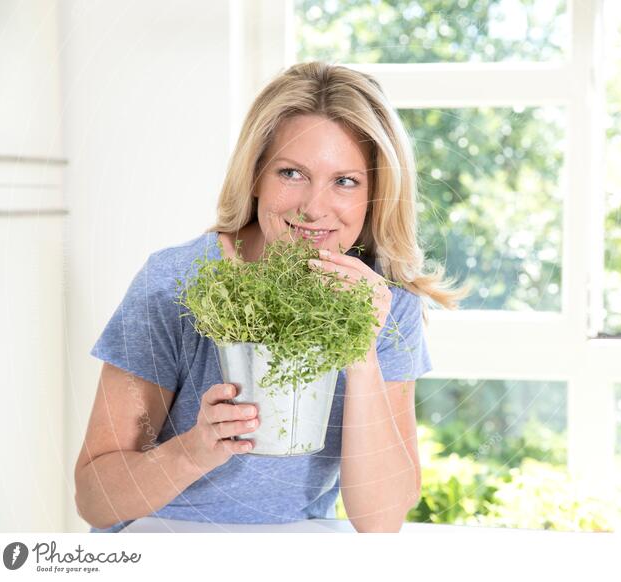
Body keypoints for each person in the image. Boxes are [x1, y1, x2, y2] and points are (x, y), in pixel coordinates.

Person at [75, 61, 468, 533]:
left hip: (291, 552)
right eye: (291, 173)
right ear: (257, 174)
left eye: (345, 181)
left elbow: (381, 519)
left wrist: (361, 350)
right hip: (159, 543)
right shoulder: (176, 283)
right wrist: (194, 450)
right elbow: (94, 499)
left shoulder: (384, 299)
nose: (314, 207)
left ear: (376, 194)